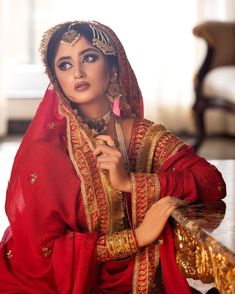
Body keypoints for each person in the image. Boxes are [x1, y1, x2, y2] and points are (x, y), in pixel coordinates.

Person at [0, 20, 226, 294]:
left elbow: (212, 182)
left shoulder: (142, 135)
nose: (78, 73)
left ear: (113, 66)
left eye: (89, 58)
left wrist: (131, 183)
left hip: (136, 274)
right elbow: (44, 252)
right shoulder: (46, 149)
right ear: (55, 78)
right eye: (65, 65)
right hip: (60, 284)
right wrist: (137, 237)